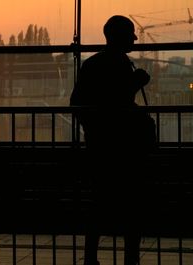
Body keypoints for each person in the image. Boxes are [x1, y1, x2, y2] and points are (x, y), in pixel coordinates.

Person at [70, 15, 153, 265]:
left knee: (99, 204)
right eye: (130, 34)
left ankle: (91, 258)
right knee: (132, 206)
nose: (135, 38)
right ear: (119, 36)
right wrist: (135, 84)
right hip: (124, 149)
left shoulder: (93, 64)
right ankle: (130, 258)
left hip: (100, 146)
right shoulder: (121, 66)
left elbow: (79, 103)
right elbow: (117, 102)